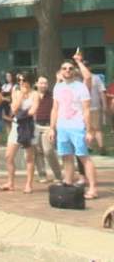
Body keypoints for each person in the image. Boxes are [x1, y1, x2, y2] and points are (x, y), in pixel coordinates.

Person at [50, 55, 97, 198]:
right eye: (64, 68)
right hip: (62, 127)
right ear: (60, 71)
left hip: (77, 126)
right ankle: (68, 183)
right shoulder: (58, 87)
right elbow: (55, 108)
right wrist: (52, 128)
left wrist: (89, 130)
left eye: (70, 68)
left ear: (74, 71)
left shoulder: (81, 86)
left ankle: (93, 189)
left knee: (84, 157)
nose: (67, 70)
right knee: (66, 156)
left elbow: (87, 109)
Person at [1, 73, 37, 193]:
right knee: (9, 156)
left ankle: (29, 184)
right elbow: (14, 109)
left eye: (24, 80)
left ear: (30, 81)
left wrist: (22, 113)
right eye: (19, 80)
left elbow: (33, 111)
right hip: (17, 125)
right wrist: (21, 96)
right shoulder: (16, 92)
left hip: (28, 126)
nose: (21, 82)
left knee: (29, 157)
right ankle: (10, 182)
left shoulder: (35, 94)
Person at [32, 75, 62, 183]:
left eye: (45, 83)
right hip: (34, 125)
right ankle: (42, 175)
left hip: (48, 126)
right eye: (41, 83)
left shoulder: (52, 96)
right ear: (36, 84)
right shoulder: (32, 95)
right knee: (37, 151)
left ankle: (58, 175)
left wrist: (53, 127)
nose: (43, 85)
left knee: (48, 151)